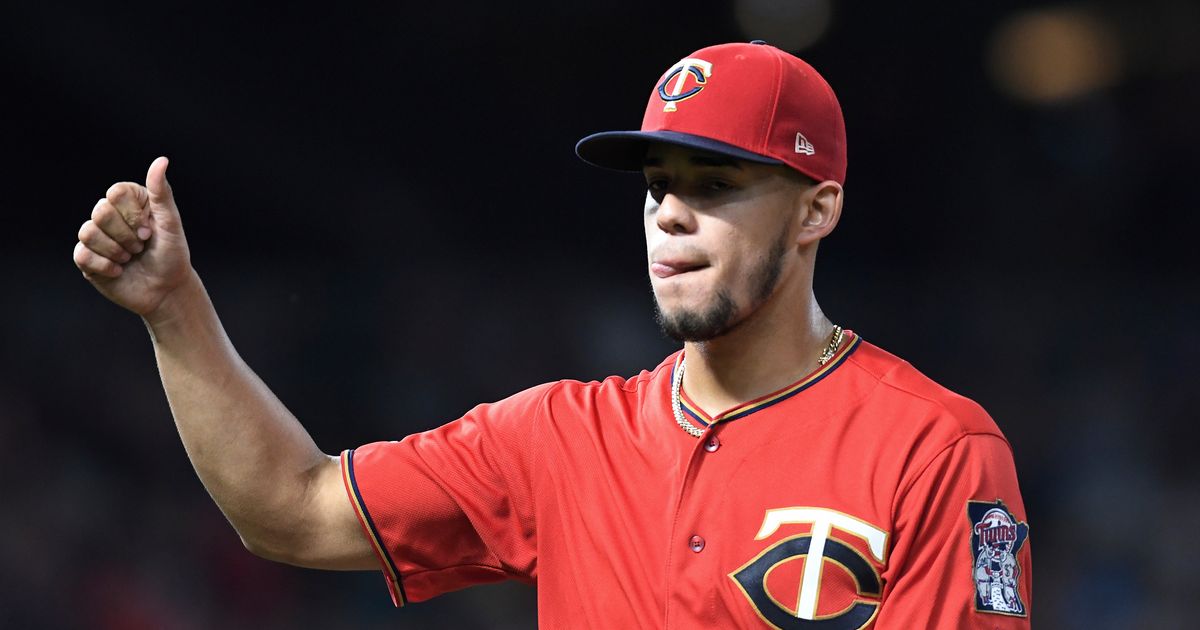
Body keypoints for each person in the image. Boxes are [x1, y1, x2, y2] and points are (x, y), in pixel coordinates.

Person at [72, 41, 1031, 629]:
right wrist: (174, 308)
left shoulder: (934, 449)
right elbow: (289, 508)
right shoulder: (561, 441)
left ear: (817, 209)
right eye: (658, 185)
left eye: (715, 185)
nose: (669, 214)